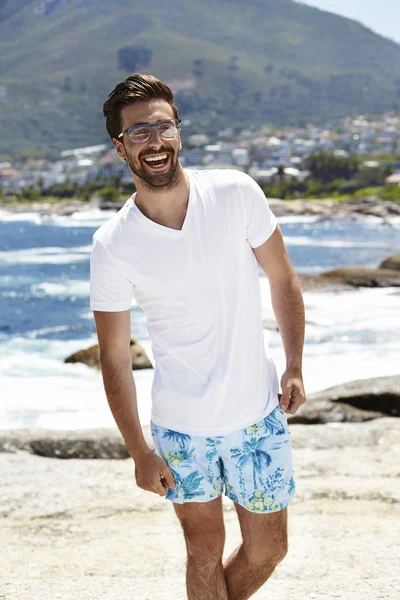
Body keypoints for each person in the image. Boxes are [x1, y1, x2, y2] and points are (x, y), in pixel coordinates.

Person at [90, 73, 306, 600]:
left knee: (268, 550)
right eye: (139, 133)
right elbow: (115, 357)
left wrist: (294, 363)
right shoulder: (113, 245)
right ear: (120, 148)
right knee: (203, 551)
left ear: (179, 133)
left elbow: (282, 277)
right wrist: (139, 449)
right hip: (181, 429)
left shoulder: (235, 192)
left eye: (163, 126)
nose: (155, 141)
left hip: (257, 413)